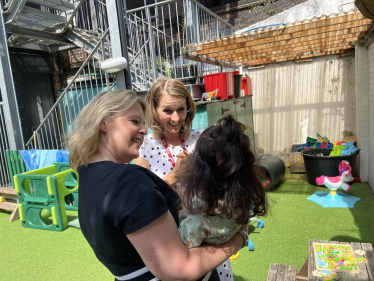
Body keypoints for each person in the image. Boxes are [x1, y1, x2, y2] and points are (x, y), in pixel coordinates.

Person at [68, 89, 248, 281]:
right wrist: (241, 236)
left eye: (143, 124)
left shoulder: (87, 174)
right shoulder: (128, 180)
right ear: (104, 122)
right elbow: (181, 268)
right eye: (134, 121)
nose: (144, 130)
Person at [178, 115, 268, 250]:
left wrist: (184, 204)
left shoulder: (195, 221)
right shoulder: (241, 203)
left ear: (201, 171)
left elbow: (184, 249)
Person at [134, 77, 201, 190]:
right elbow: (144, 193)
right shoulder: (144, 146)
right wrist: (175, 176)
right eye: (168, 111)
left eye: (181, 109)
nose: (175, 118)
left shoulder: (201, 139)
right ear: (154, 110)